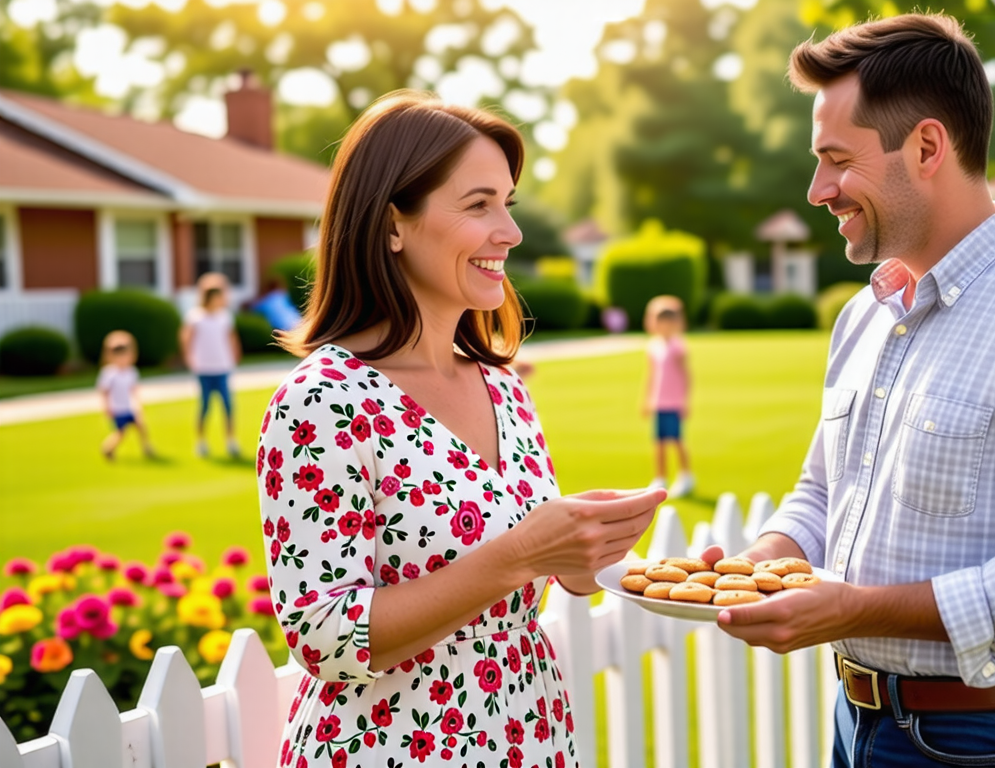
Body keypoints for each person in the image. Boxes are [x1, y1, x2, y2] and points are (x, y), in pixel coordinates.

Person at [702, 14, 995, 768]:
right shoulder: (865, 314)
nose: (817, 190)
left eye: (836, 160)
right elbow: (821, 493)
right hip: (857, 721)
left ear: (928, 147)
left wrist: (857, 609)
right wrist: (762, 564)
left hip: (982, 740)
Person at [256, 91, 665, 768]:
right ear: (392, 225)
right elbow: (324, 639)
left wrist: (582, 551)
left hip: (527, 737)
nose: (510, 230)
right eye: (479, 205)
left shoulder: (502, 386)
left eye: (507, 202)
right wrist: (525, 553)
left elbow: (517, 580)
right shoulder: (322, 402)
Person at [181, 276, 242, 458]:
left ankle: (231, 441)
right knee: (205, 406)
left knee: (228, 406)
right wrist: (189, 358)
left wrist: (235, 356)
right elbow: (187, 338)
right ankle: (201, 441)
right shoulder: (195, 317)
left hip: (222, 367)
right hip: (204, 369)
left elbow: (232, 338)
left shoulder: (225, 317)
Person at [642, 295, 693, 497]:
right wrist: (647, 399)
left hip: (673, 402)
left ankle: (686, 475)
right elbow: (651, 375)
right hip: (659, 402)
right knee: (659, 441)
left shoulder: (677, 346)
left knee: (677, 440)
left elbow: (685, 375)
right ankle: (660, 476)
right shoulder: (654, 346)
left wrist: (684, 401)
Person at [97, 330, 155, 460]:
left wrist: (138, 404)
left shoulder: (131, 372)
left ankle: (146, 448)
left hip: (130, 407)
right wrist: (106, 407)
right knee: (121, 433)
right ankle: (107, 448)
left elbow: (134, 389)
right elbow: (104, 391)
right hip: (117, 409)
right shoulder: (109, 373)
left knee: (141, 427)